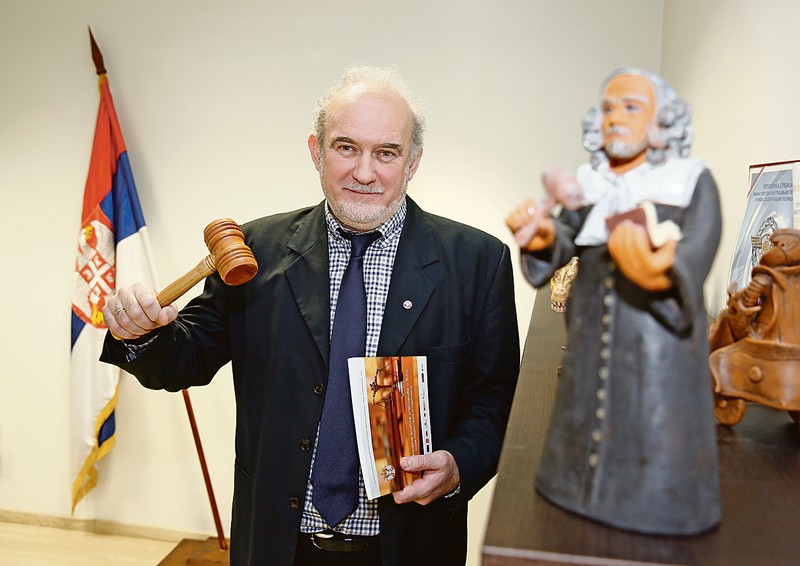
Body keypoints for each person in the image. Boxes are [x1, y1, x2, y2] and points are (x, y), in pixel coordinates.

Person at [101, 65, 520, 565]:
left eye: (386, 153)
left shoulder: (477, 262)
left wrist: (458, 465)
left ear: (413, 162)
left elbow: (496, 402)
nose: (364, 172)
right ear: (316, 151)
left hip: (410, 546)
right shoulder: (256, 250)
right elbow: (183, 360)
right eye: (346, 147)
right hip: (277, 546)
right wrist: (141, 332)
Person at [505, 68, 721, 535]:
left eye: (631, 107)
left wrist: (656, 272)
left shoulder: (690, 182)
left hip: (656, 353)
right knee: (582, 416)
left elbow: (696, 253)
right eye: (607, 108)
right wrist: (542, 237)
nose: (615, 118)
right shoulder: (592, 183)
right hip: (586, 343)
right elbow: (563, 237)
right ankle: (571, 483)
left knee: (651, 425)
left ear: (662, 121)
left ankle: (654, 500)